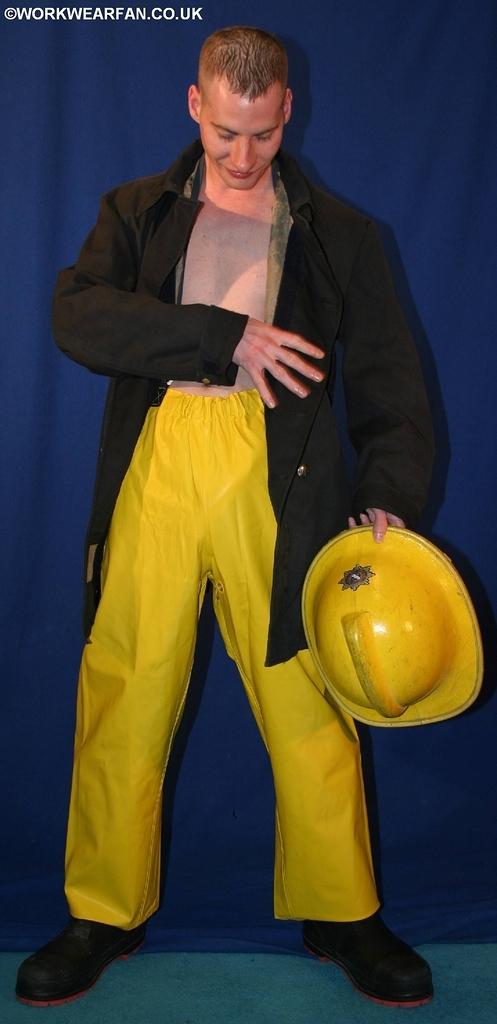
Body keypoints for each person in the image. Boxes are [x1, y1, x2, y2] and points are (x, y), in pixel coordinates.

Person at [16, 26, 435, 1009]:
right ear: (194, 106)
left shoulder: (341, 233)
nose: (243, 155)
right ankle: (103, 912)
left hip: (281, 475)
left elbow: (388, 377)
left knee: (307, 695)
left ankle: (340, 910)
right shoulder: (137, 210)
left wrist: (389, 489)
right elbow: (78, 316)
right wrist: (223, 336)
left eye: (262, 133)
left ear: (286, 109)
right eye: (224, 133)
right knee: (125, 687)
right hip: (159, 458)